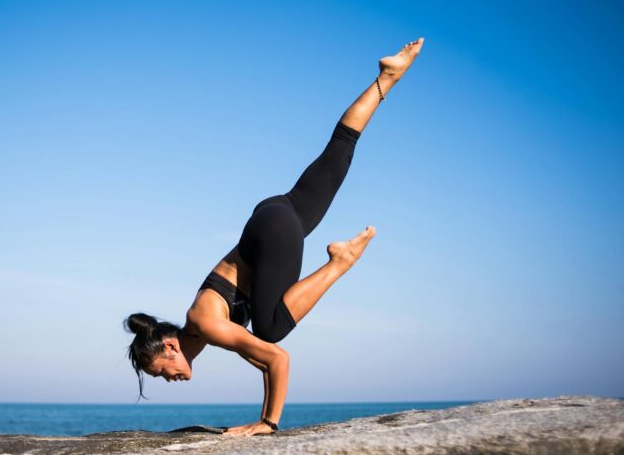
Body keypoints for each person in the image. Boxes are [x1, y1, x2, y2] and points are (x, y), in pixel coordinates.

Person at [123, 38, 425, 437]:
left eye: (161, 373)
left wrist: (266, 423)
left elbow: (276, 358)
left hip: (272, 234)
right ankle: (388, 77)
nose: (168, 380)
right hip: (273, 216)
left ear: (170, 348)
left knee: (270, 329)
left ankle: (339, 262)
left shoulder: (205, 324)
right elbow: (260, 361)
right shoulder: (202, 329)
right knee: (339, 151)